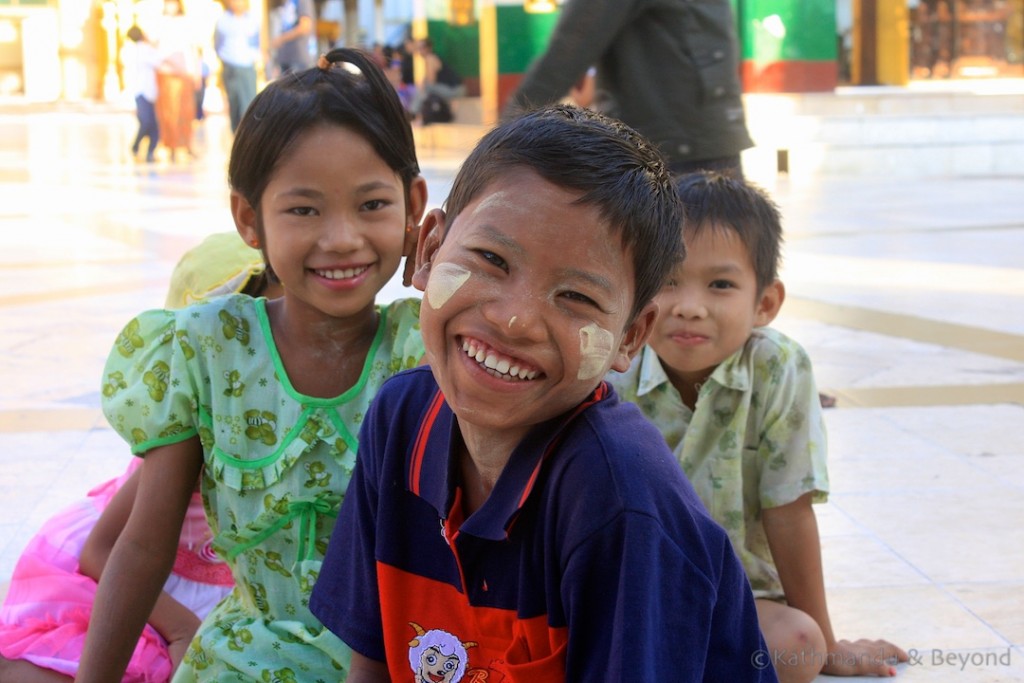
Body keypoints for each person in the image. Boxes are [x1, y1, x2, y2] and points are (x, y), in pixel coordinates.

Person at [309, 105, 774, 682]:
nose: (515, 322)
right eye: (491, 259)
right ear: (428, 250)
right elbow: (373, 663)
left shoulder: (617, 497)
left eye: (576, 296)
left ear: (629, 335)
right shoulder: (401, 421)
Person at [74, 47, 428, 682]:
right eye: (304, 209)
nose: (343, 237)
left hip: (397, 660)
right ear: (249, 218)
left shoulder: (424, 351)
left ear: (413, 206)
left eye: (373, 205)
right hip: (241, 665)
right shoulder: (205, 349)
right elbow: (144, 546)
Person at [608, 172, 909, 682]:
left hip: (741, 595)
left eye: (720, 284)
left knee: (799, 646)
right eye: (669, 279)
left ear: (765, 303)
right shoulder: (616, 365)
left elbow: (788, 511)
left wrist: (829, 641)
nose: (688, 306)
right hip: (631, 590)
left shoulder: (778, 367)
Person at [0, 237, 278, 683]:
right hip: (142, 582)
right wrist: (182, 626)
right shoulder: (198, 431)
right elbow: (102, 549)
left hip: (222, 580)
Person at [504, 0, 753, 178]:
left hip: (670, 150)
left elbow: (567, 52)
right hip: (706, 136)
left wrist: (503, 139)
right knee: (720, 245)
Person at [153, 0, 202, 162]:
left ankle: (187, 145)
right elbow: (159, 51)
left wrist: (196, 72)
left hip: (185, 74)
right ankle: (171, 146)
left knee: (187, 111)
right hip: (168, 73)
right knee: (169, 111)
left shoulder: (185, 23)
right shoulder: (161, 23)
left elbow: (192, 49)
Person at [213, 0, 260, 133]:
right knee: (234, 104)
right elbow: (217, 44)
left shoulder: (252, 20)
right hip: (230, 67)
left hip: (247, 67)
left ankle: (250, 137)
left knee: (249, 104)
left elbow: (256, 42)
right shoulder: (223, 21)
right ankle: (237, 136)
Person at [125, 26, 161, 163]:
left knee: (152, 123)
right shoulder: (143, 49)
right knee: (147, 122)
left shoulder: (136, 50)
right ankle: (137, 146)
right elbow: (158, 60)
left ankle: (149, 151)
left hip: (145, 91)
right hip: (145, 92)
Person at [410, 37, 464, 123]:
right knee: (423, 89)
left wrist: (422, 83)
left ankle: (412, 113)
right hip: (449, 89)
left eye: (422, 47)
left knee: (425, 88)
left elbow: (432, 80)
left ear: (429, 48)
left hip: (454, 90)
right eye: (418, 47)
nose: (420, 50)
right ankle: (416, 114)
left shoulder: (431, 58)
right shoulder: (429, 58)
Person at [268, 0, 315, 77]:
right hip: (286, 60)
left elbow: (305, 26)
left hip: (298, 59)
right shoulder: (287, 3)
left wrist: (281, 39)